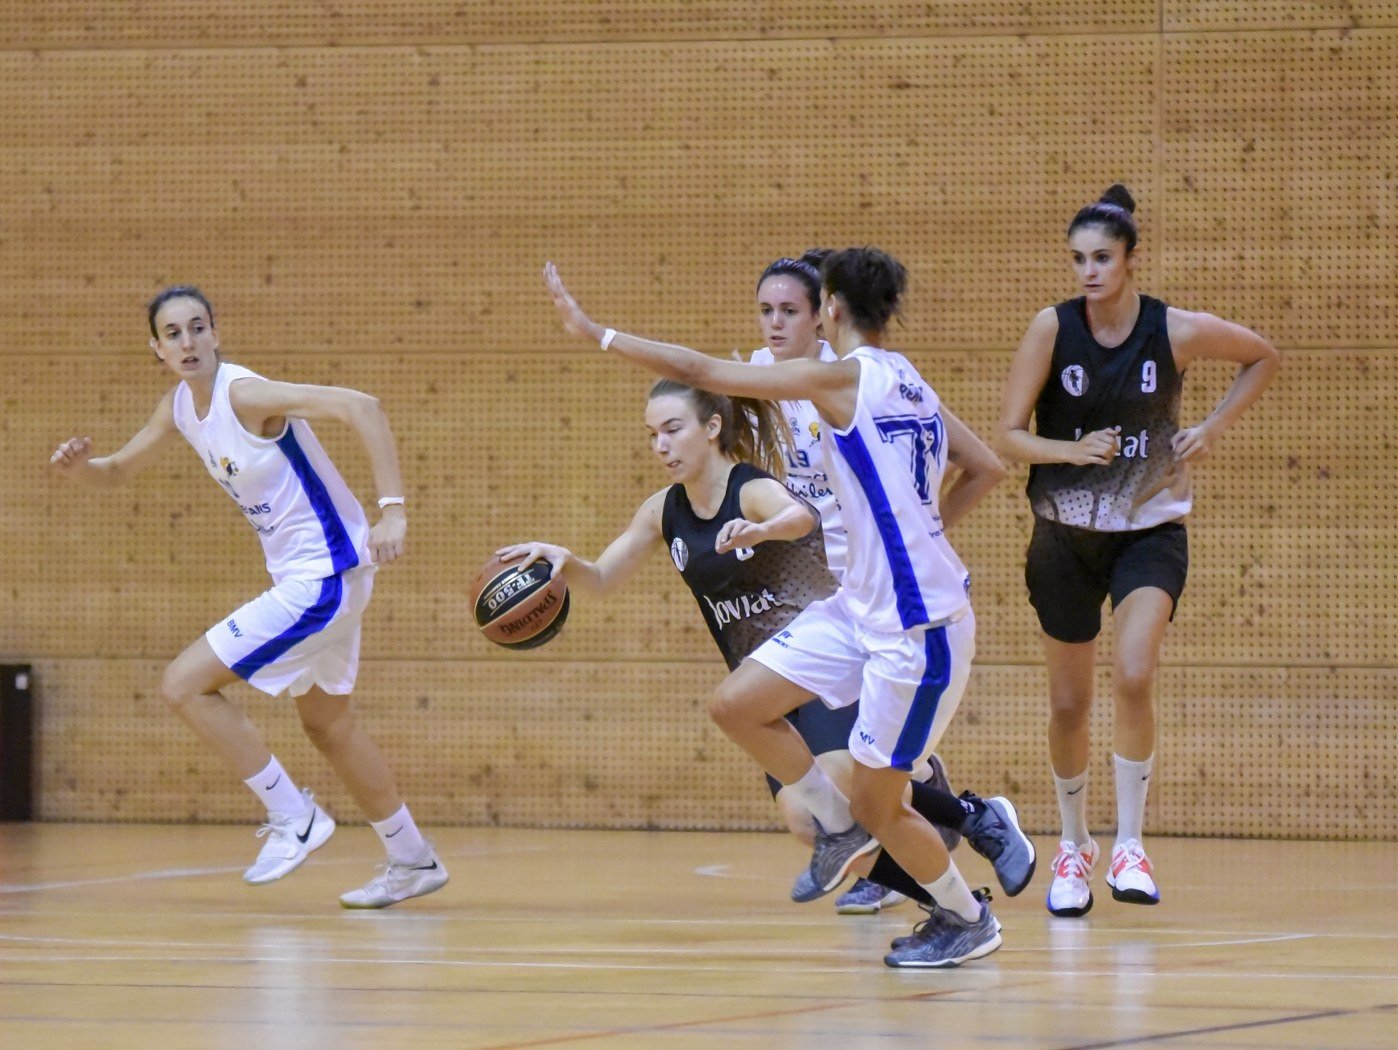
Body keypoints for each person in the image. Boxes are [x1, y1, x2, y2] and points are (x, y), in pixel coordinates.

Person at [544, 248, 1020, 968]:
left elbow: (702, 374)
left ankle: (964, 916)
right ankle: (842, 832)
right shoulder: (909, 380)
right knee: (737, 706)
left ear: (830, 309)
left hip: (914, 626)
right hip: (859, 604)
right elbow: (975, 467)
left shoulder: (838, 380)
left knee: (880, 803)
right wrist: (913, 536)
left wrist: (596, 332)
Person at [49, 285, 449, 910]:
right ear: (156, 348)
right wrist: (83, 468)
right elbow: (119, 469)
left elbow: (362, 406)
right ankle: (411, 857)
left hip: (322, 577)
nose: (188, 342)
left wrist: (393, 512)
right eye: (173, 333)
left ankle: (294, 816)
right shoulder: (181, 407)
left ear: (215, 334)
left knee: (182, 685)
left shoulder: (244, 394)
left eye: (197, 328)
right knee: (329, 726)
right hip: (323, 579)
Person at [996, 185, 1280, 917]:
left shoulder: (1175, 330)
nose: (1088, 271)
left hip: (1150, 533)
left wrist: (1211, 428)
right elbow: (1009, 436)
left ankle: (1130, 844)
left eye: (1101, 258)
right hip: (1063, 535)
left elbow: (1260, 356)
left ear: (1131, 260)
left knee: (1133, 671)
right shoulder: (1051, 330)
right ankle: (1071, 845)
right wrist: (1071, 448)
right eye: (1078, 259)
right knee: (1068, 701)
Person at [748, 252, 1013, 915]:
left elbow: (983, 463)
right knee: (820, 763)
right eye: (767, 311)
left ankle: (956, 870)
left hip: (899, 605)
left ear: (824, 316)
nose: (777, 324)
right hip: (840, 595)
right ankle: (951, 833)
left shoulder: (864, 385)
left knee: (863, 785)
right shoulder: (768, 380)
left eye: (791, 311)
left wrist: (922, 533)